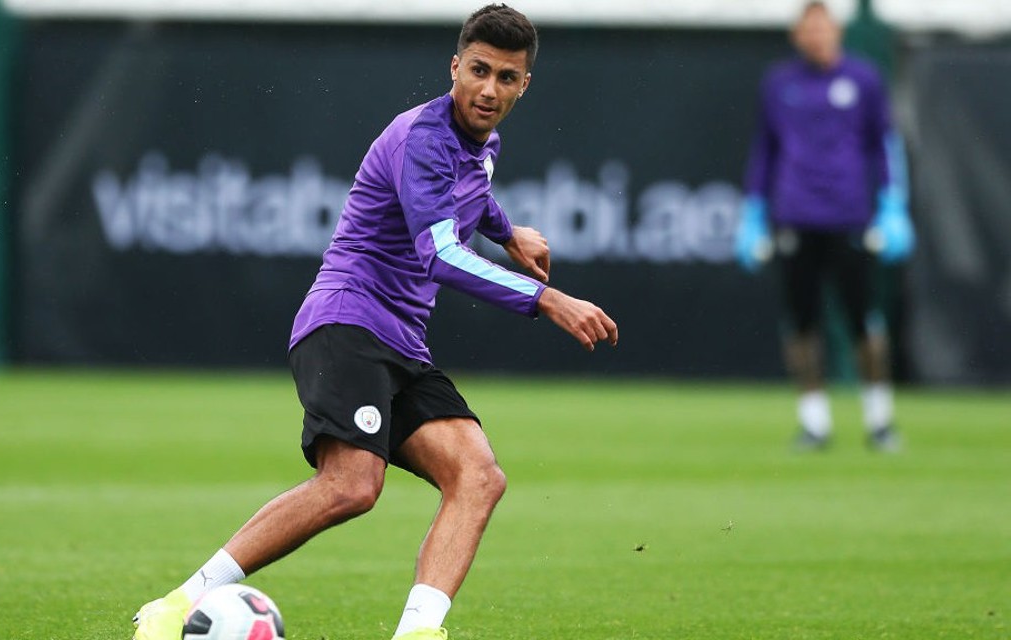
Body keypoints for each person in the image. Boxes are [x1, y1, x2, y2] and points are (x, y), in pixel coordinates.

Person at [132, 5, 619, 640]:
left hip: (400, 340)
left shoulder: (480, 142)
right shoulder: (422, 137)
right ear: (455, 66)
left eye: (505, 78)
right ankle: (176, 606)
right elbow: (440, 253)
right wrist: (546, 299)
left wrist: (506, 231)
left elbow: (469, 188)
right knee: (352, 484)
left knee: (478, 476)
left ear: (524, 85)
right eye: (478, 71)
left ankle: (418, 633)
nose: (488, 90)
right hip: (347, 320)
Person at [735, 0, 914, 452]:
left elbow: (884, 144)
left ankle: (880, 420)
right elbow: (766, 149)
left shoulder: (864, 79)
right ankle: (814, 423)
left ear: (836, 33)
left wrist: (892, 204)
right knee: (801, 322)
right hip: (795, 215)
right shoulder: (779, 83)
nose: (816, 37)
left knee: (863, 321)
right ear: (798, 36)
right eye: (808, 30)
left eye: (824, 29)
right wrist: (754, 210)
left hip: (850, 215)